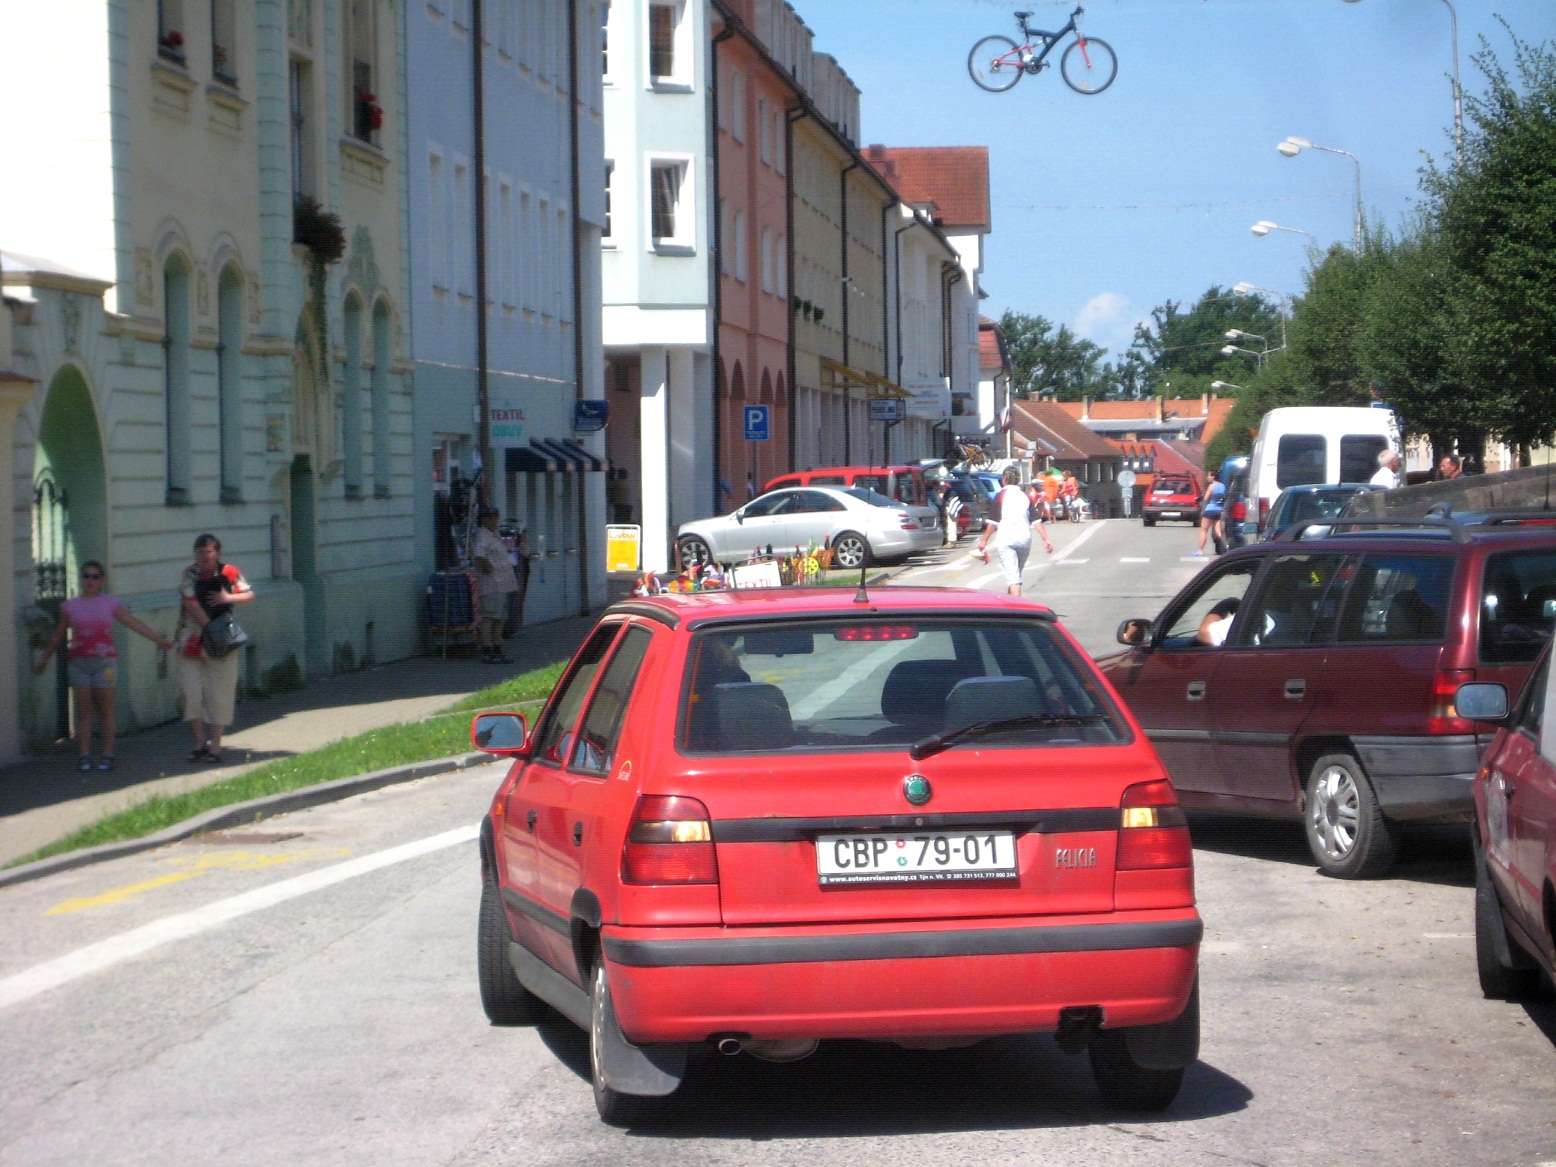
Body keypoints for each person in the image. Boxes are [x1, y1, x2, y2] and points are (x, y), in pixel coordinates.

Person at [34, 561, 173, 772]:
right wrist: (45, 658)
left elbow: (132, 622)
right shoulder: (70, 606)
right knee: (83, 711)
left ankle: (107, 754)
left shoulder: (111, 603)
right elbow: (58, 634)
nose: (90, 581)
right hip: (79, 662)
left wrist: (158, 640)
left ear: (102, 581)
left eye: (95, 577)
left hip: (104, 662)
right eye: (86, 576)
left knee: (106, 710)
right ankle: (84, 755)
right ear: (81, 579)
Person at [176, 534, 254, 764]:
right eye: (199, 552)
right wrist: (211, 629)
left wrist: (227, 597)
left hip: (222, 641)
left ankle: (216, 746)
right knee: (190, 692)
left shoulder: (229, 572)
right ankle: (200, 742)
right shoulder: (188, 573)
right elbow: (190, 604)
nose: (203, 557)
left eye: (208, 552)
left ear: (217, 553)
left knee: (220, 692)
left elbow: (249, 595)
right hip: (193, 638)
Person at [972, 467, 1051, 595]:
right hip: (1025, 540)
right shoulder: (1025, 496)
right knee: (1015, 576)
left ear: (1004, 479)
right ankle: (1011, 607)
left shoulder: (1001, 495)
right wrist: (1046, 539)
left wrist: (983, 541)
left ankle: (1018, 610)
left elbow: (993, 522)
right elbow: (1036, 520)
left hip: (1006, 540)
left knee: (1013, 579)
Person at [472, 507, 518, 664]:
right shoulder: (482, 535)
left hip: (503, 583)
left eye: (495, 517)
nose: (493, 521)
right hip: (493, 584)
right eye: (490, 518)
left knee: (500, 617)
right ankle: (488, 650)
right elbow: (479, 554)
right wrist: (489, 569)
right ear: (483, 519)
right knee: (490, 617)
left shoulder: (494, 534)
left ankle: (497, 648)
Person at [1195, 472, 1226, 557]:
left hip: (1210, 510)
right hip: (1219, 510)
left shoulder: (1211, 486)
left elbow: (1205, 498)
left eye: (1209, 476)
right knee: (1218, 530)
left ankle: (1200, 550)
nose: (1207, 477)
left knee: (1204, 530)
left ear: (1213, 477)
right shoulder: (1223, 486)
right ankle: (1225, 547)